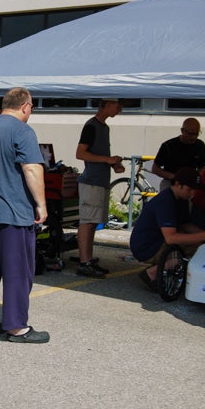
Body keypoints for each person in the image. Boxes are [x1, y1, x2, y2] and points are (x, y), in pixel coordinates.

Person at [0, 87, 50, 344]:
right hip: (11, 211)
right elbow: (32, 169)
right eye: (32, 107)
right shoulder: (22, 130)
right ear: (25, 106)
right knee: (17, 271)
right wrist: (42, 205)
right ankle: (16, 327)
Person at [130, 167, 205, 291]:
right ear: (178, 184)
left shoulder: (180, 199)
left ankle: (169, 267)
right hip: (147, 247)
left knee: (202, 246)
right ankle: (152, 273)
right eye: (189, 189)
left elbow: (186, 224)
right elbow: (171, 238)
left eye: (194, 190)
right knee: (196, 252)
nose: (192, 193)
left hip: (157, 241)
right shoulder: (165, 202)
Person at [75, 98, 124, 277]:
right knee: (87, 222)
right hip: (91, 182)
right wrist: (107, 160)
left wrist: (113, 164)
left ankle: (88, 259)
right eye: (117, 104)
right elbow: (80, 153)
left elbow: (98, 155)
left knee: (93, 222)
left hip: (100, 181)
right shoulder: (91, 125)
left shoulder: (104, 127)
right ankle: (84, 262)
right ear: (107, 103)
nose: (120, 108)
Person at [150, 118, 205, 190]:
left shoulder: (200, 145)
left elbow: (202, 168)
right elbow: (155, 169)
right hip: (170, 182)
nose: (193, 137)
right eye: (190, 134)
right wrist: (174, 177)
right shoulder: (168, 146)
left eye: (196, 134)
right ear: (182, 131)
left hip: (190, 183)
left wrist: (198, 180)